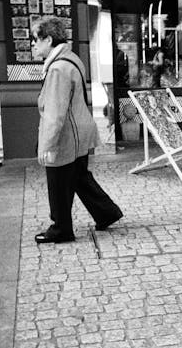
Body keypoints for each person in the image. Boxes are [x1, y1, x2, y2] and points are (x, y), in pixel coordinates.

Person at [32, 17, 123, 243]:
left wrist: (47, 145)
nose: (33, 45)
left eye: (36, 40)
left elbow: (55, 112)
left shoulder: (57, 69)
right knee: (79, 177)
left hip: (67, 136)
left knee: (58, 183)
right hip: (81, 131)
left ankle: (61, 229)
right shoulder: (71, 59)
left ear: (49, 39)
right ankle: (107, 212)